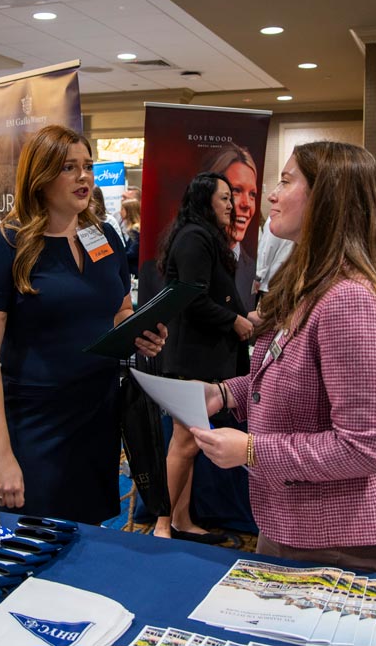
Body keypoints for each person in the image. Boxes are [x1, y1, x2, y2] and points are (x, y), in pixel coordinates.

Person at [191, 141, 376, 573]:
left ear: (326, 199)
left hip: (342, 534)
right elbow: (291, 374)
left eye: (286, 181)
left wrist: (253, 450)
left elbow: (362, 446)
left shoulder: (349, 300)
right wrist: (225, 393)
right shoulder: (313, 281)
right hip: (301, 521)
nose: (271, 196)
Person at [0, 125, 167, 523]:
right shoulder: (4, 246)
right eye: (68, 168)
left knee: (86, 536)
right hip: (35, 421)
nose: (84, 177)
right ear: (40, 178)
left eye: (87, 166)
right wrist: (1, 455)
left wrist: (139, 332)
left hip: (97, 414)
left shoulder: (103, 236)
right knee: (31, 537)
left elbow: (117, 313)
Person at [153, 171, 252, 542]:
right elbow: (192, 299)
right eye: (225, 197)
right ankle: (163, 525)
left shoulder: (205, 237)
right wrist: (235, 322)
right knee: (184, 441)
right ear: (204, 200)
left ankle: (180, 520)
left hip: (202, 358)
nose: (232, 204)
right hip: (192, 358)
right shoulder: (195, 237)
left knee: (189, 440)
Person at [203, 144, 260, 310]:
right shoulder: (158, 269)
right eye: (236, 191)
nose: (247, 204)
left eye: (252, 194)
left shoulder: (252, 270)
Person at [254, 215, 293, 305]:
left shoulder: (275, 219)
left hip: (268, 282)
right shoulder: (294, 219)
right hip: (283, 280)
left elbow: (267, 249)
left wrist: (258, 276)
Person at [121, 198, 141, 277]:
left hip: (134, 271)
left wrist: (118, 256)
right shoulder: (126, 227)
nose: (120, 211)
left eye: (122, 209)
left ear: (129, 211)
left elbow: (133, 253)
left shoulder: (135, 229)